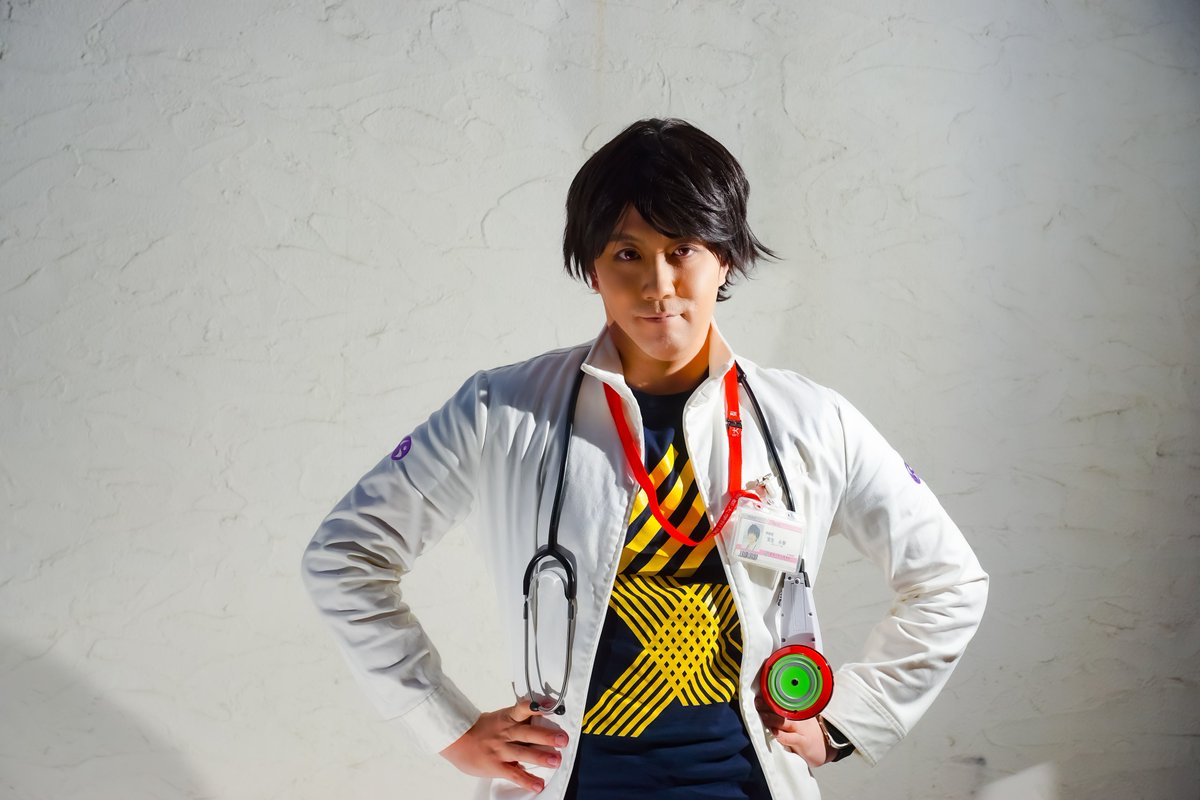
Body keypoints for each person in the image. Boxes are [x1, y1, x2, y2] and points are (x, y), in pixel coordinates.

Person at [302, 118, 988, 799]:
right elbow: (344, 556)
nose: (658, 285)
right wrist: (445, 725)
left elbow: (949, 581)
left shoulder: (811, 420)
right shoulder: (501, 410)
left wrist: (847, 722)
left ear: (725, 257)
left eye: (682, 249)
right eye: (627, 253)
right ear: (592, 269)